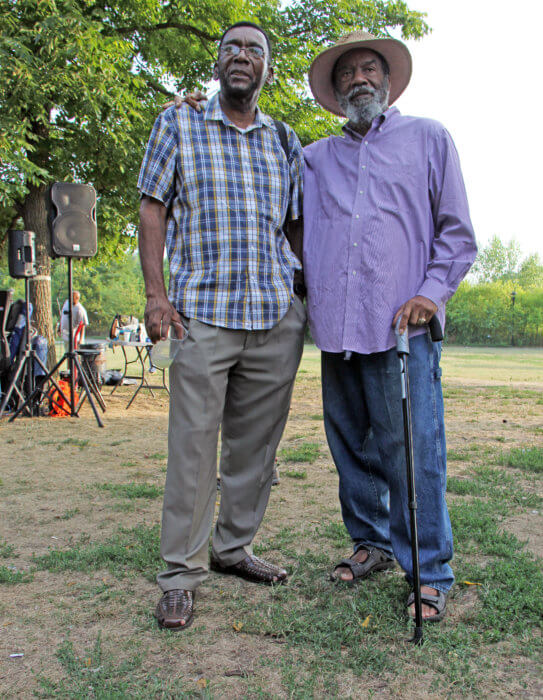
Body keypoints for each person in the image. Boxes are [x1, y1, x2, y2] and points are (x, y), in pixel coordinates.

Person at [303, 31, 477, 621]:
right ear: (335, 89)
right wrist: (198, 109)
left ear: (387, 79)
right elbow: (278, 207)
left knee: (413, 450)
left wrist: (430, 294)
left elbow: (457, 232)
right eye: (347, 72)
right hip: (335, 329)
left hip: (403, 329)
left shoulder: (428, 139)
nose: (359, 78)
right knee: (350, 446)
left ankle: (430, 568)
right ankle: (372, 541)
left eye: (369, 68)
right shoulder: (312, 157)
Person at [138, 21, 306, 631]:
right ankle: (180, 575)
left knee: (256, 448)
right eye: (231, 48)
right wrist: (156, 296)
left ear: (267, 68)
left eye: (254, 50)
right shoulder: (177, 123)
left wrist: (303, 298)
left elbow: (295, 225)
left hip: (272, 315)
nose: (242, 56)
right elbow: (152, 207)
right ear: (217, 66)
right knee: (192, 447)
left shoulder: (283, 140)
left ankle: (233, 549)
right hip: (200, 314)